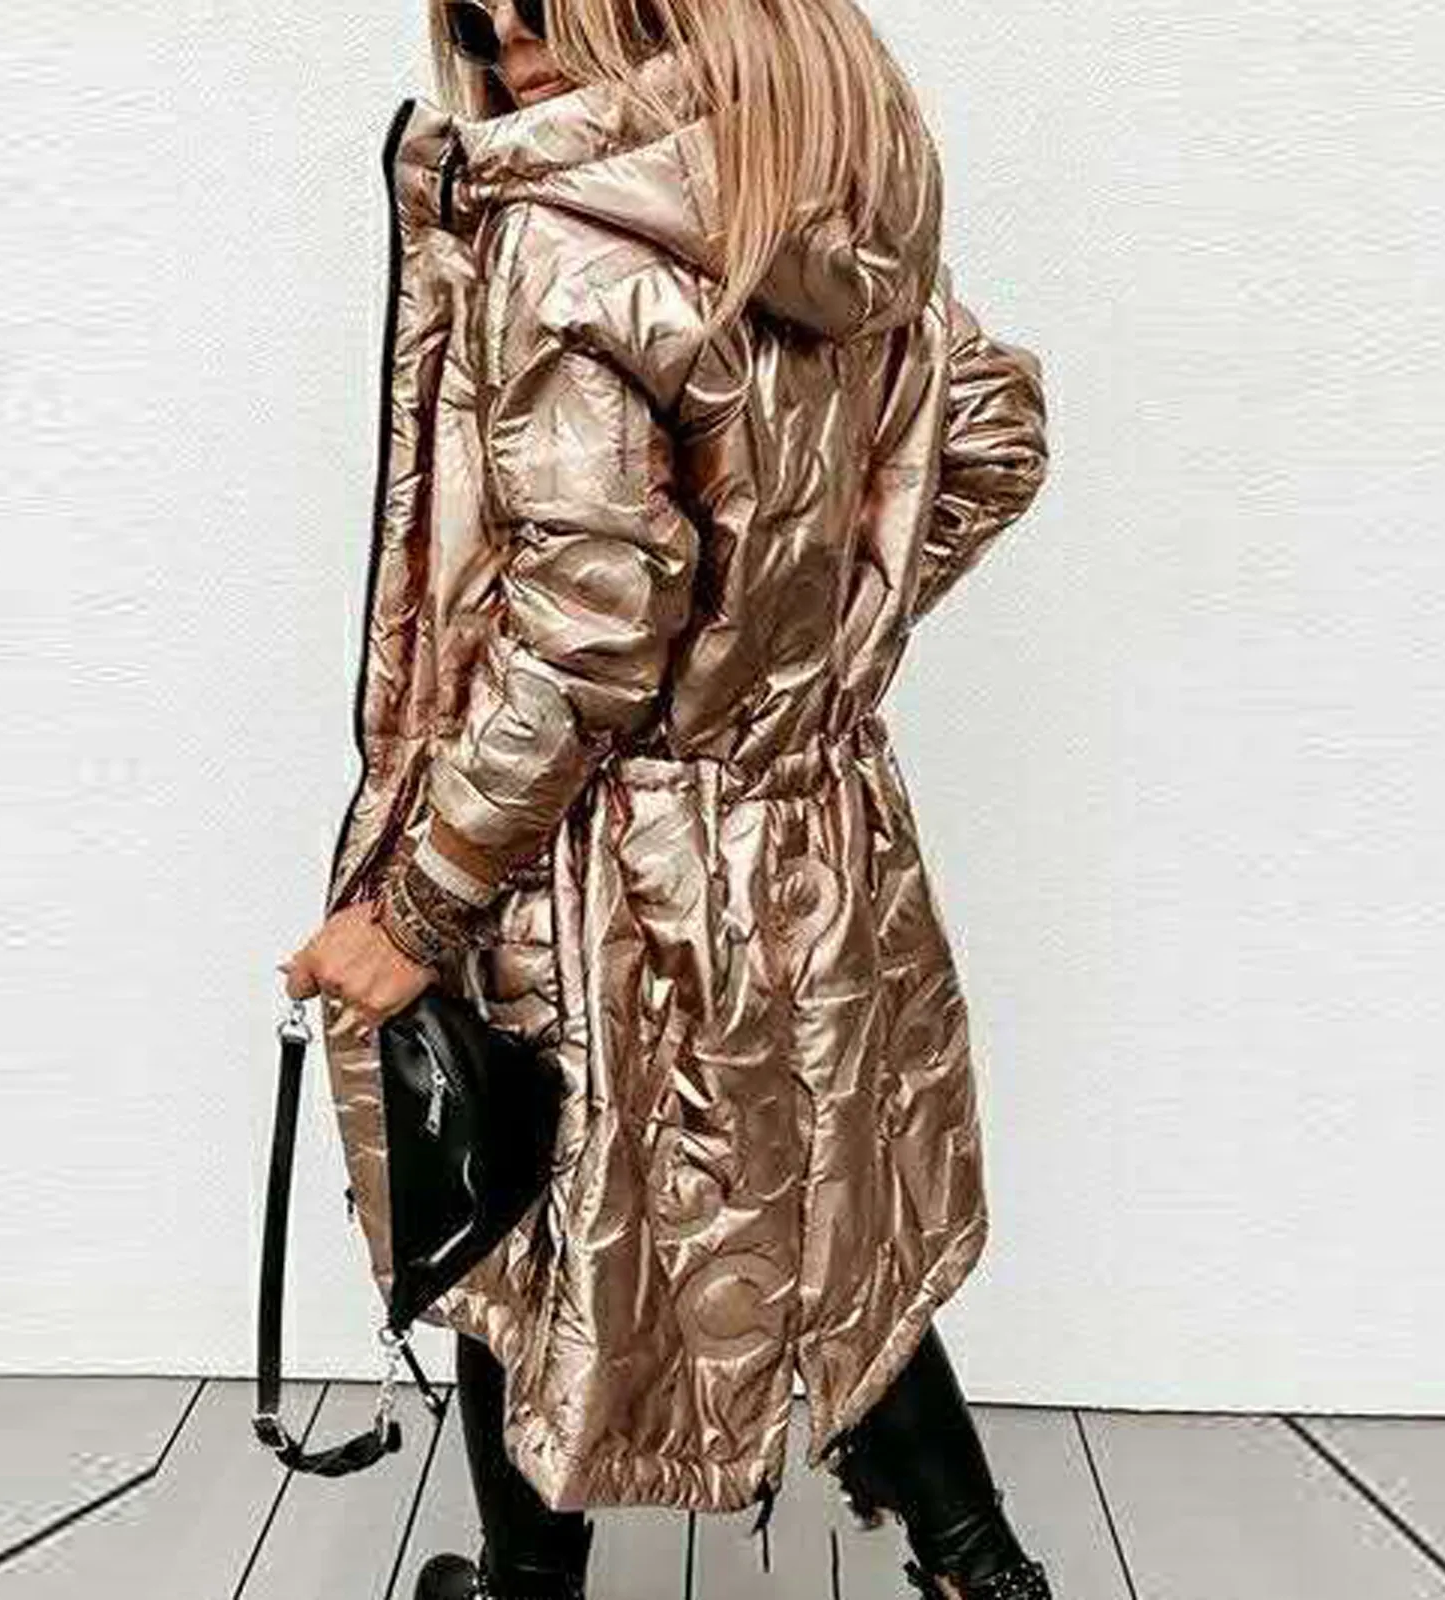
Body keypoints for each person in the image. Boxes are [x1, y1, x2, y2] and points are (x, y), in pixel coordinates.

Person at [281, 0, 1052, 1596]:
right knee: (829, 1212)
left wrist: (415, 908)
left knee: (516, 1221)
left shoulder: (566, 236)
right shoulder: (825, 197)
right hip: (813, 834)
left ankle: (527, 1589)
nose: (510, 47)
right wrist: (800, 657)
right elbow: (985, 435)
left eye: (548, 9)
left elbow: (589, 632)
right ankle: (983, 1572)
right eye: (480, 18)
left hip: (603, 861)